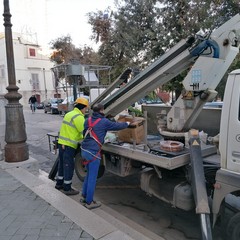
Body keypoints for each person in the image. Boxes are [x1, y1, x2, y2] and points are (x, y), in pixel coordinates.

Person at [80, 103, 135, 209]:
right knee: (92, 177)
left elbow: (86, 132)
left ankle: (84, 196)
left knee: (88, 174)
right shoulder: (104, 122)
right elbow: (117, 126)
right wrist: (127, 123)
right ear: (102, 110)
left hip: (84, 150)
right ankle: (89, 202)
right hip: (93, 153)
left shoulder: (88, 120)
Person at [55, 97, 89, 195]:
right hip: (69, 145)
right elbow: (83, 131)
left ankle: (59, 184)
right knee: (68, 166)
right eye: (86, 108)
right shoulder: (78, 117)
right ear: (83, 107)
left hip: (62, 143)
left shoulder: (69, 114)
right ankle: (67, 188)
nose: (86, 110)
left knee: (62, 165)